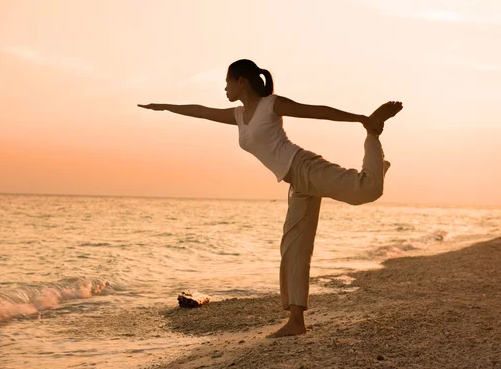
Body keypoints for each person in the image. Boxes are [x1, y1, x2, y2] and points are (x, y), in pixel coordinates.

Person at [138, 59, 403, 338]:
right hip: (297, 184)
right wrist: (166, 106)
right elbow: (202, 111)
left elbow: (314, 111)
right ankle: (296, 321)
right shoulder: (239, 115)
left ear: (242, 81)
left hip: (305, 167)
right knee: (293, 248)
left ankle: (374, 139)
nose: (224, 87)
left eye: (227, 81)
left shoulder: (271, 105)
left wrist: (363, 120)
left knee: (368, 190)